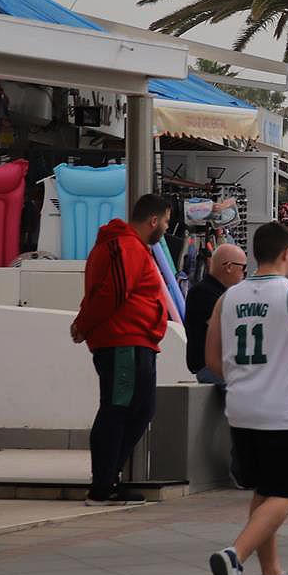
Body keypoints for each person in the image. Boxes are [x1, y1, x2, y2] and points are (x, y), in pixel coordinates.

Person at [205, 221, 288, 575]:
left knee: (263, 491)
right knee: (285, 494)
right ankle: (235, 555)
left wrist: (244, 381)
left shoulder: (228, 298)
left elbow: (211, 357)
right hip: (283, 410)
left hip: (242, 408)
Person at [71, 193, 173, 506]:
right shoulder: (126, 246)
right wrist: (83, 324)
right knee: (120, 410)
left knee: (136, 410)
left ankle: (108, 479)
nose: (167, 228)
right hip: (124, 341)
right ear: (153, 220)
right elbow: (111, 293)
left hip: (132, 340)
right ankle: (103, 485)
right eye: (166, 221)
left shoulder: (126, 246)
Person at [184, 243, 247, 386]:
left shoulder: (215, 292)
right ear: (229, 267)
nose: (244, 274)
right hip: (210, 367)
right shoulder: (204, 294)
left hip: (220, 366)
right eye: (243, 268)